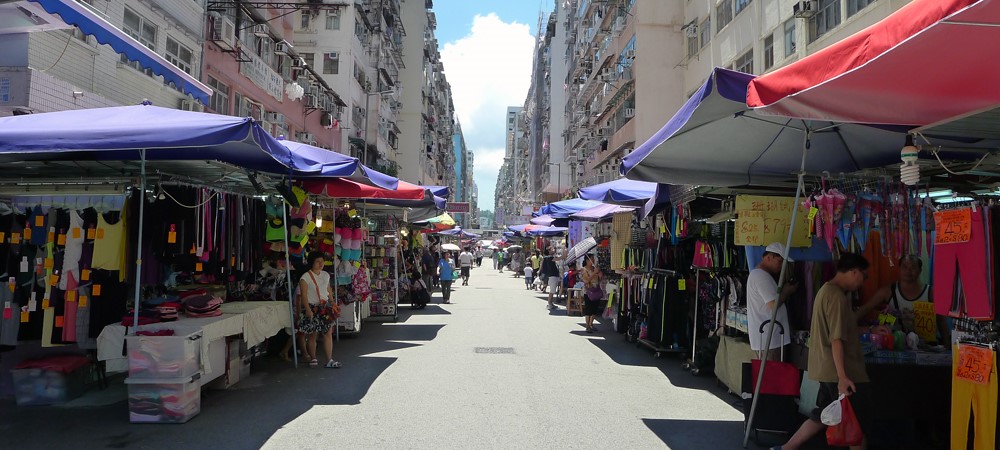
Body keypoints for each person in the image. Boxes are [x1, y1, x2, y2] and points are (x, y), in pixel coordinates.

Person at [774, 253, 873, 450]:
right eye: (864, 276)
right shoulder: (836, 297)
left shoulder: (826, 291)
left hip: (827, 369)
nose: (863, 282)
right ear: (854, 272)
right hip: (837, 372)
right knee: (855, 425)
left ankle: (786, 448)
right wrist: (843, 377)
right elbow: (836, 339)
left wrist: (866, 330)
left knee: (822, 415)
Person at [864, 255, 949, 344]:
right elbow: (865, 308)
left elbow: (942, 322)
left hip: (927, 348)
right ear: (899, 269)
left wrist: (947, 347)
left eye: (913, 267)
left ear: (920, 270)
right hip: (897, 346)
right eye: (904, 267)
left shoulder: (931, 293)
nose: (908, 271)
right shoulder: (888, 291)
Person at [747, 242, 799, 361]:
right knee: (772, 374)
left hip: (769, 337)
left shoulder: (760, 275)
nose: (781, 266)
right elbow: (773, 304)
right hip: (770, 340)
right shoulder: (761, 276)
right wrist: (786, 291)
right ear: (768, 257)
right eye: (779, 261)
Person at [297, 253, 342, 368]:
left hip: (325, 307)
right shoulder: (305, 277)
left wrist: (332, 302)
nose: (321, 264)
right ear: (312, 262)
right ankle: (313, 358)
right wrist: (307, 309)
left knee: (327, 333)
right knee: (313, 334)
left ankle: (329, 360)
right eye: (318, 261)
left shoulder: (326, 275)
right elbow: (303, 295)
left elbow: (328, 290)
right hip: (312, 307)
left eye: (322, 261)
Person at [580, 255, 604, 331]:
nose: (593, 260)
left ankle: (591, 324)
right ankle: (587, 326)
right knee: (588, 309)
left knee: (595, 309)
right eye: (592, 259)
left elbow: (599, 279)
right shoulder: (584, 270)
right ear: (587, 260)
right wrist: (594, 273)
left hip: (596, 290)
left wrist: (600, 275)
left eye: (594, 259)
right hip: (588, 291)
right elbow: (586, 280)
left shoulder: (594, 269)